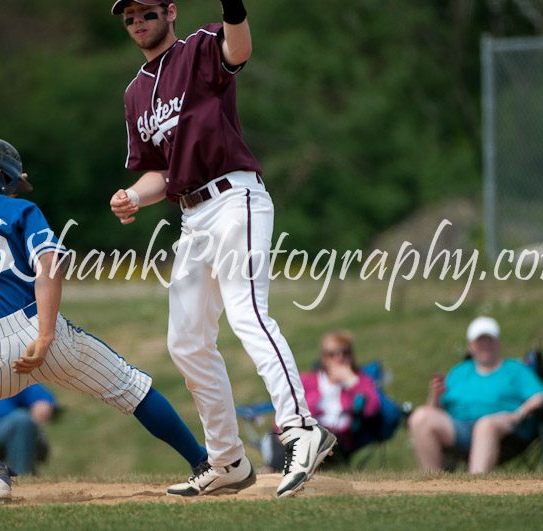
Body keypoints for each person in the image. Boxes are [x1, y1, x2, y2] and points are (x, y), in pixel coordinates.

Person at [108, 0, 336, 498]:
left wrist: (233, 6)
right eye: (129, 18)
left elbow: (241, 48)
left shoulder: (199, 50)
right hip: (192, 216)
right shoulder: (134, 94)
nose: (138, 22)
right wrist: (134, 198)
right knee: (186, 340)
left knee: (247, 312)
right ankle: (228, 460)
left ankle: (300, 426)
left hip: (235, 197)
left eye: (146, 12)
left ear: (170, 11)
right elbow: (159, 172)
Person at [0, 136, 208, 504]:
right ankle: (203, 463)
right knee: (132, 388)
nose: (14, 190)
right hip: (39, 328)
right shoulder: (17, 210)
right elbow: (48, 265)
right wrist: (45, 335)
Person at [407, 317, 543, 473]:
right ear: (470, 346)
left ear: (498, 342)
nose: (485, 345)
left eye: (490, 340)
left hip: (505, 427)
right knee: (419, 417)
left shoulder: (516, 369)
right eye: (480, 341)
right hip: (461, 427)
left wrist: (519, 414)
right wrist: (435, 396)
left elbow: (540, 396)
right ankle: (433, 482)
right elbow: (436, 410)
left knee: (484, 425)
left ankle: (474, 487)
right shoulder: (459, 371)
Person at [261, 330, 382, 471]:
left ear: (351, 355)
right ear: (323, 357)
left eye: (344, 352)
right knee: (290, 434)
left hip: (335, 441)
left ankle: (274, 471)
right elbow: (288, 408)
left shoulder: (361, 381)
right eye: (331, 354)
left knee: (308, 440)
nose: (339, 358)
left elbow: (372, 408)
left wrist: (351, 381)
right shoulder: (308, 380)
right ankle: (278, 472)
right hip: (301, 431)